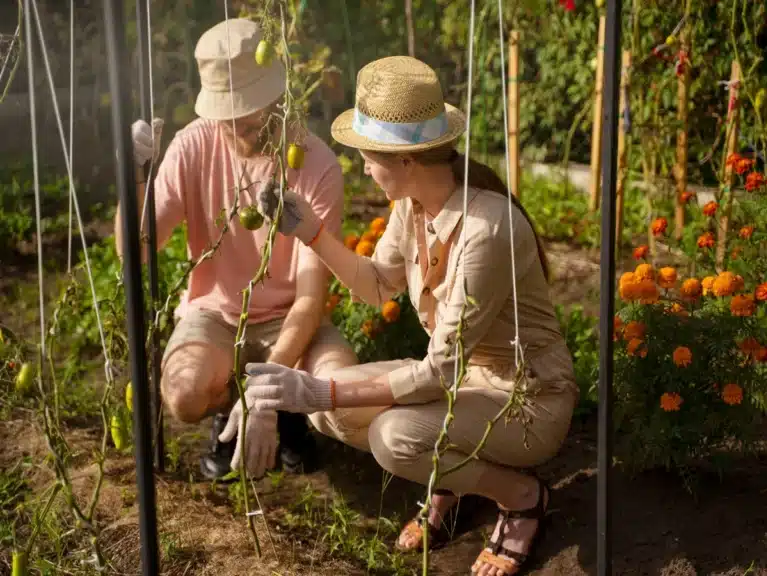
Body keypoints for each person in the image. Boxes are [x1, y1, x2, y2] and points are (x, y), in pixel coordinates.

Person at [231, 56, 580, 575]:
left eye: (368, 159)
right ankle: (453, 480)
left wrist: (320, 389)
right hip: (466, 385)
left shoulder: (485, 231)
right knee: (330, 413)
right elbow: (377, 284)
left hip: (525, 399)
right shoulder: (413, 207)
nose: (363, 169)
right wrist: (308, 230)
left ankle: (521, 497)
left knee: (392, 437)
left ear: (406, 161)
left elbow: (439, 371)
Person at [117, 18, 358, 481]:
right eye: (228, 120)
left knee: (342, 395)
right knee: (184, 393)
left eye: (250, 117)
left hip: (290, 318)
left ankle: (285, 411)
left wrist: (266, 388)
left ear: (278, 98)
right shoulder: (193, 145)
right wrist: (134, 178)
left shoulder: (315, 164)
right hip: (216, 315)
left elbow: (310, 299)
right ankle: (234, 412)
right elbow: (136, 250)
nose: (239, 131)